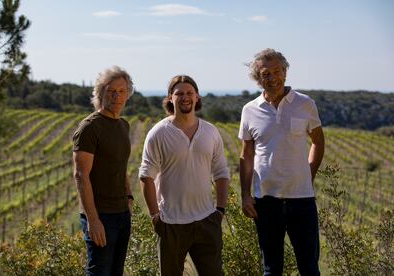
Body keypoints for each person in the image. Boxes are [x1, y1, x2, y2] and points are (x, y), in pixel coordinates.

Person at [239, 48, 325, 276]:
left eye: (277, 71)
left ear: (285, 72)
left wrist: (309, 174)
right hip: (265, 201)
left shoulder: (305, 104)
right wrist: (245, 194)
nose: (272, 77)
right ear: (258, 79)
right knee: (271, 268)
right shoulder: (249, 110)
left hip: (302, 200)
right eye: (265, 74)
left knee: (309, 268)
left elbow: (318, 142)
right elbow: (246, 155)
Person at [139, 75, 230, 276]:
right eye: (179, 93)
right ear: (170, 98)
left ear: (197, 97)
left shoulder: (210, 132)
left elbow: (222, 172)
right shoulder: (158, 133)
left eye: (189, 93)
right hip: (171, 223)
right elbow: (146, 177)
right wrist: (155, 217)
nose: (185, 97)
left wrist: (220, 211)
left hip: (207, 220)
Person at [73, 65, 134, 276]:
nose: (116, 96)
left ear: (127, 95)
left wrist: (129, 195)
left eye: (121, 91)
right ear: (101, 93)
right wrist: (93, 220)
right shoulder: (89, 128)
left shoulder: (123, 125)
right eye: (111, 91)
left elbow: (121, 164)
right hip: (101, 216)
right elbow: (81, 176)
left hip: (121, 213)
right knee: (99, 272)